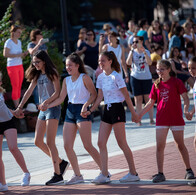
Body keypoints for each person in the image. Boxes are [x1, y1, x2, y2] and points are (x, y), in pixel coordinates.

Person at [43, 53, 102, 185]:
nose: (68, 67)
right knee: (67, 145)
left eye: (70, 65)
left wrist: (86, 106)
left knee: (87, 145)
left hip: (83, 111)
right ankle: (77, 175)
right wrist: (47, 105)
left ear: (77, 65)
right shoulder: (66, 80)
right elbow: (61, 99)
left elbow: (94, 94)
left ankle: (104, 171)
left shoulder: (84, 77)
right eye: (66, 65)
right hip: (70, 111)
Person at [14, 50, 69, 185]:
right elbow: (29, 91)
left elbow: (57, 93)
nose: (35, 64)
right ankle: (61, 163)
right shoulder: (37, 74)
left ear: (44, 61)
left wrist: (47, 102)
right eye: (33, 62)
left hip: (53, 108)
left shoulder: (53, 72)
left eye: (37, 62)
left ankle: (58, 175)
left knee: (50, 142)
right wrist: (20, 106)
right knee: (38, 141)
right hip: (43, 110)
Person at [85, 51, 140, 184]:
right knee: (100, 142)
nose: (100, 63)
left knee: (122, 143)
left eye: (103, 60)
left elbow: (127, 96)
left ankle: (133, 173)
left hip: (117, 109)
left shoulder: (117, 76)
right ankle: (104, 174)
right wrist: (91, 110)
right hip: (107, 109)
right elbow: (99, 96)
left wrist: (134, 113)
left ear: (110, 61)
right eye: (99, 61)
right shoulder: (100, 77)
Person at [138, 59, 195, 183]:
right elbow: (150, 103)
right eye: (158, 69)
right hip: (161, 119)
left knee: (180, 145)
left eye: (162, 69)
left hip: (176, 118)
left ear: (169, 69)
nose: (159, 72)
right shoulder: (156, 84)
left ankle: (189, 170)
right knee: (160, 146)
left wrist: (186, 110)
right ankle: (160, 173)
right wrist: (140, 114)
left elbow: (185, 98)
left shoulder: (177, 82)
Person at [126, 36, 155, 126]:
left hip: (146, 77)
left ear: (141, 42)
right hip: (135, 77)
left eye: (136, 41)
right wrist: (131, 51)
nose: (134, 43)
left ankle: (151, 119)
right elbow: (128, 63)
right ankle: (138, 119)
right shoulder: (132, 52)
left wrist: (144, 52)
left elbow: (149, 63)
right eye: (133, 42)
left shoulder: (146, 52)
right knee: (138, 99)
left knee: (148, 99)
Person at [3, 25, 29, 108]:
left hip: (19, 65)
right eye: (18, 32)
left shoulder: (19, 42)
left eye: (20, 33)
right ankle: (17, 107)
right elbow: (5, 54)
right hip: (12, 66)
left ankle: (18, 106)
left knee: (19, 85)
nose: (19, 34)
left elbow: (18, 55)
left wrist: (23, 54)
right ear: (13, 32)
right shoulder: (8, 42)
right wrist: (18, 55)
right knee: (15, 86)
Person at [187, 56, 196, 186]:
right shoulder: (194, 83)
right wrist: (192, 112)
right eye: (189, 68)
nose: (191, 70)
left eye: (193, 68)